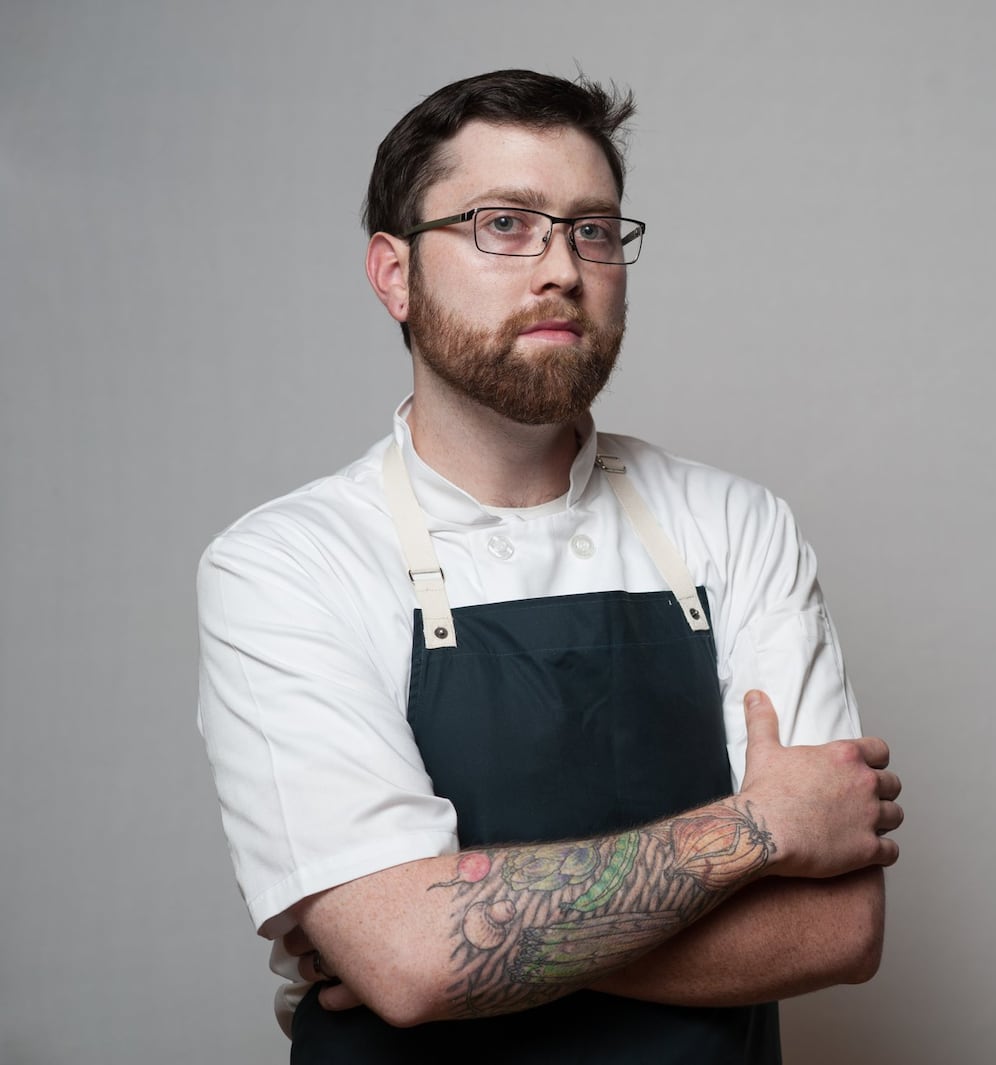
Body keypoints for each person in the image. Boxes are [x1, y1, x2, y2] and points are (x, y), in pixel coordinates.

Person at [196, 69, 903, 1064]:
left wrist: (448, 939)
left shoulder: (733, 524)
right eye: (502, 224)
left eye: (593, 230)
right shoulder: (286, 564)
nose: (562, 267)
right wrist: (758, 828)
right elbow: (409, 959)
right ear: (394, 274)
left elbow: (840, 930)